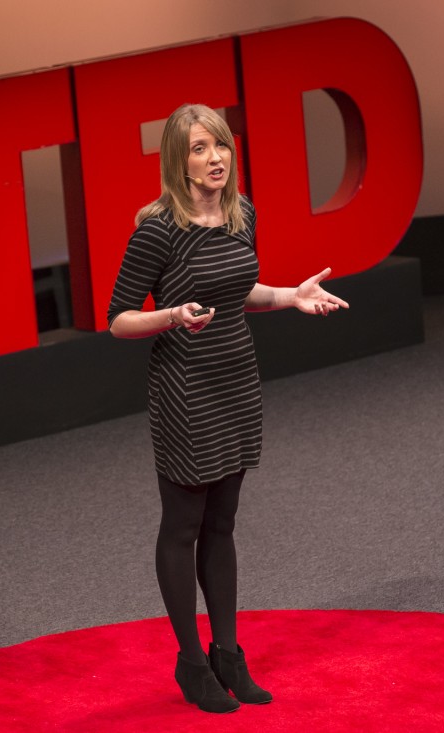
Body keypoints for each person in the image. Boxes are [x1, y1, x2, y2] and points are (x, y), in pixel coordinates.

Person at [107, 103, 349, 714]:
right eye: (197, 148)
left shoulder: (242, 214)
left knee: (223, 523)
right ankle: (191, 663)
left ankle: (228, 653)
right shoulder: (158, 229)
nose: (214, 157)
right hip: (184, 388)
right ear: (178, 162)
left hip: (235, 379)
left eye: (219, 145)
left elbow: (239, 291)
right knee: (183, 525)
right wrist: (170, 315)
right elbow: (117, 319)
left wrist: (291, 296)